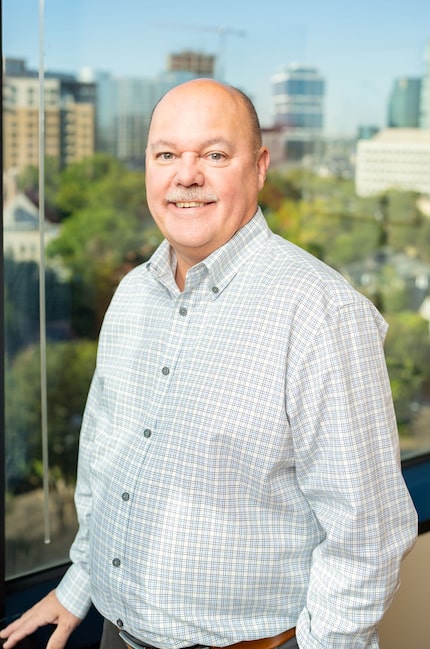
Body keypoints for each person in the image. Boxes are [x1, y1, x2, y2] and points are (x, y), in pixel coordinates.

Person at [0, 79, 417, 649]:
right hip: (118, 636)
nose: (186, 175)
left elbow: (367, 534)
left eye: (215, 155)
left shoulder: (319, 312)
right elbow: (105, 461)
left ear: (261, 167)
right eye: (166, 154)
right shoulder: (131, 296)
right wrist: (81, 584)